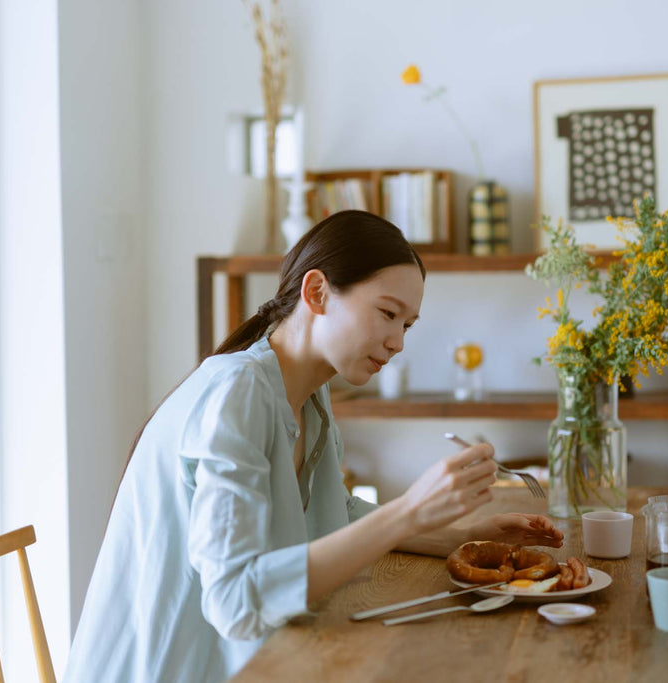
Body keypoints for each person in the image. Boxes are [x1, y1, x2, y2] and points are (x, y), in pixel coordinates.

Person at [64, 211, 563, 681]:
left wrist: (461, 536)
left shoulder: (311, 396)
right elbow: (235, 601)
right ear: (317, 291)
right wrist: (409, 510)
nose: (398, 342)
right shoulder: (237, 392)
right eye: (388, 313)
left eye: (407, 325)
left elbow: (336, 511)